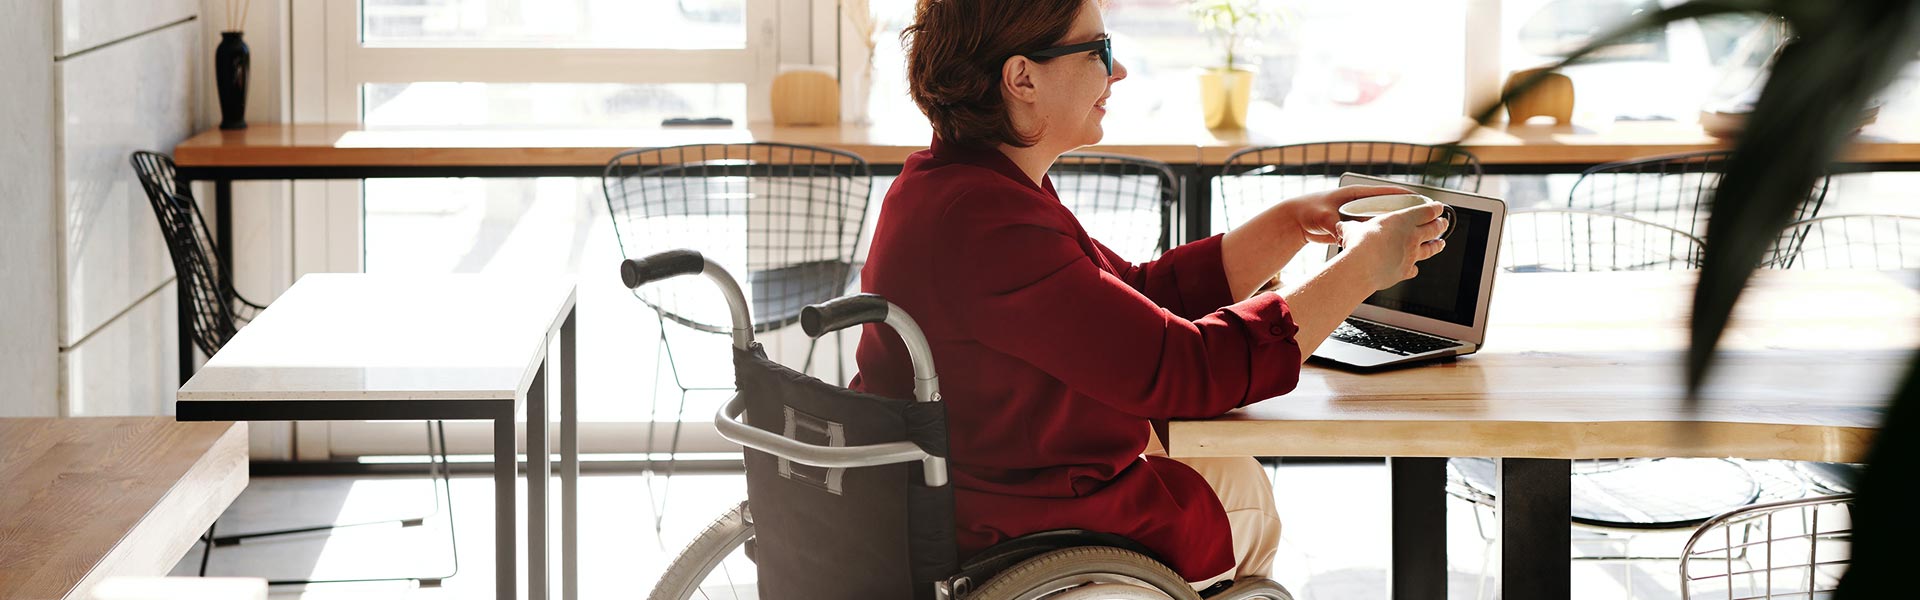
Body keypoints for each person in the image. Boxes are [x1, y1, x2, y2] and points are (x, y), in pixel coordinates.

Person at [848, 0, 1449, 590]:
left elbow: (1138, 295)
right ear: (1022, 77)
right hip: (1013, 528)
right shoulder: (987, 222)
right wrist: (1364, 268)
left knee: (1236, 478)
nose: (1118, 71)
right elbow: (1184, 370)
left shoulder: (956, 185)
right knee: (1246, 496)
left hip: (984, 491)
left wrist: (1289, 225)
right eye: (1099, 50)